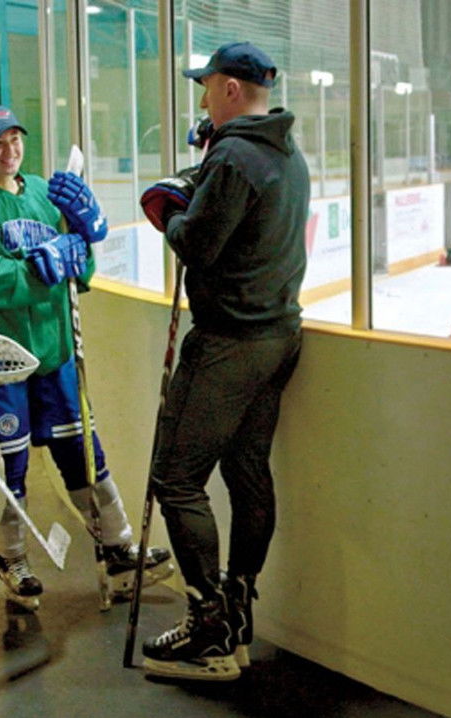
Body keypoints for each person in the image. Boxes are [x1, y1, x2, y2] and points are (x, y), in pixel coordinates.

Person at [0, 104, 173, 610]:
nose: (9, 150)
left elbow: (80, 271)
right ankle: (13, 558)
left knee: (83, 455)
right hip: (3, 360)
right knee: (11, 464)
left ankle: (117, 549)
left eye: (15, 140)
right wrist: (38, 269)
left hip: (56, 354)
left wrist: (83, 246)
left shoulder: (43, 195)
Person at [138, 41, 309, 681]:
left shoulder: (235, 156)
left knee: (176, 478)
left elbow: (198, 246)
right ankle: (237, 608)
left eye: (206, 86)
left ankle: (210, 629)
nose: (202, 97)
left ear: (232, 89)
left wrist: (173, 209)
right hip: (277, 335)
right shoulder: (287, 153)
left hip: (229, 341)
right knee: (245, 470)